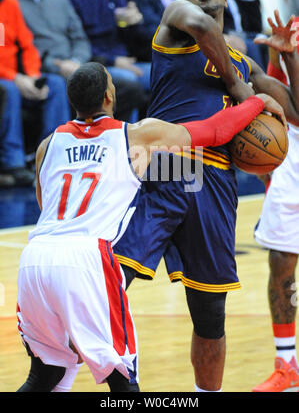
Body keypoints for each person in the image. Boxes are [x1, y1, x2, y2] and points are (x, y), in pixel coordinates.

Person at [15, 62, 272, 392]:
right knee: (122, 381)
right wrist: (257, 101)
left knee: (45, 375)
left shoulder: (46, 146)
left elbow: (44, 203)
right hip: (85, 261)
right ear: (110, 96)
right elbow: (216, 131)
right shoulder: (136, 136)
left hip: (36, 257)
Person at [113, 0, 299, 392]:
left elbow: (296, 112)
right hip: (166, 163)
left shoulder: (243, 61)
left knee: (211, 311)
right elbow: (199, 24)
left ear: (227, 0)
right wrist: (239, 88)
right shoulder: (177, 21)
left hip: (216, 180)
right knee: (111, 280)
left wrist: (288, 58)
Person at [252, 16, 299, 392]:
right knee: (281, 262)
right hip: (294, 149)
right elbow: (285, 102)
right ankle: (287, 365)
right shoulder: (293, 25)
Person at [0, 0, 70, 187]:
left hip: (20, 76)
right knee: (8, 89)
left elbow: (27, 44)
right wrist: (16, 78)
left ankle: (53, 157)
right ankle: (14, 162)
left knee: (56, 84)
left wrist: (31, 75)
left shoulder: (9, 4)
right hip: (7, 80)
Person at [64, 0, 151, 92]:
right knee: (130, 81)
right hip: (96, 65)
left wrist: (133, 21)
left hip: (126, 59)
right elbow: (79, 42)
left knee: (168, 75)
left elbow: (127, 33)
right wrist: (113, 61)